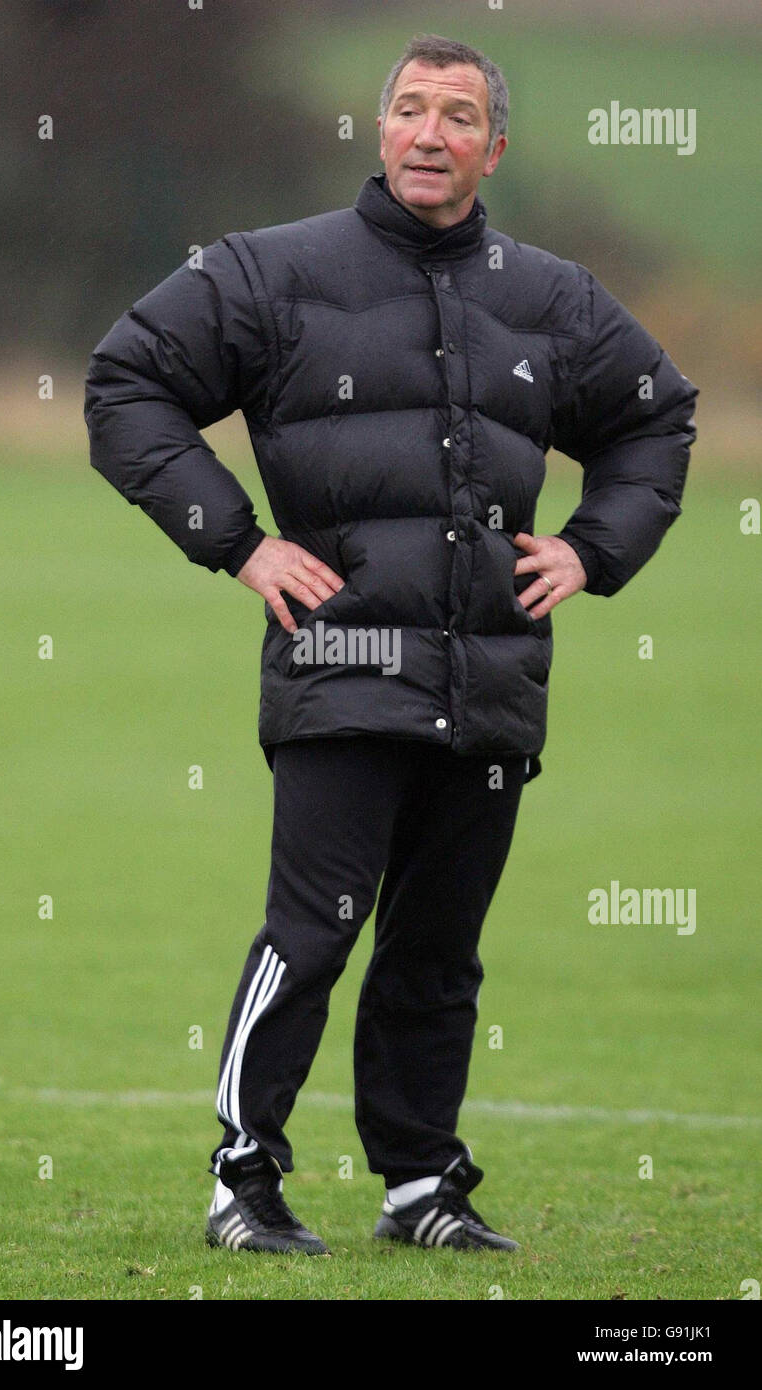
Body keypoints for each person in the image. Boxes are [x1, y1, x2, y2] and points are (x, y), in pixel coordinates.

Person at [84, 34, 698, 1257]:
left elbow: (655, 417)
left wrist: (589, 549)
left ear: (493, 146)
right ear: (379, 131)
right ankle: (241, 1180)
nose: (429, 133)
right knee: (312, 934)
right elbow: (124, 381)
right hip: (338, 670)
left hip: (491, 680)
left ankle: (419, 1187)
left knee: (435, 951)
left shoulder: (552, 297)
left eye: (457, 116)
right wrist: (239, 544)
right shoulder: (270, 273)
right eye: (409, 110)